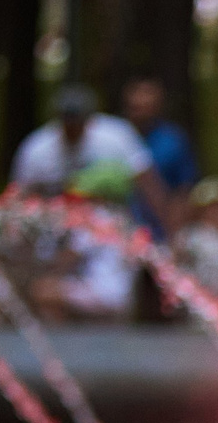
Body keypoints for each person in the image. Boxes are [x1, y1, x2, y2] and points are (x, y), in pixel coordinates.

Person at [11, 85, 170, 317]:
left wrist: (164, 231)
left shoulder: (115, 138)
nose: (73, 126)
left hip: (100, 271)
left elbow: (149, 186)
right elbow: (18, 200)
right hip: (56, 234)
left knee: (45, 293)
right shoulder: (37, 149)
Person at [121, 78, 199, 242]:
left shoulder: (172, 141)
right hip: (119, 231)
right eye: (136, 108)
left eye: (146, 107)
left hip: (159, 231)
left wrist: (176, 232)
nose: (141, 113)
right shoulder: (116, 137)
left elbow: (183, 191)